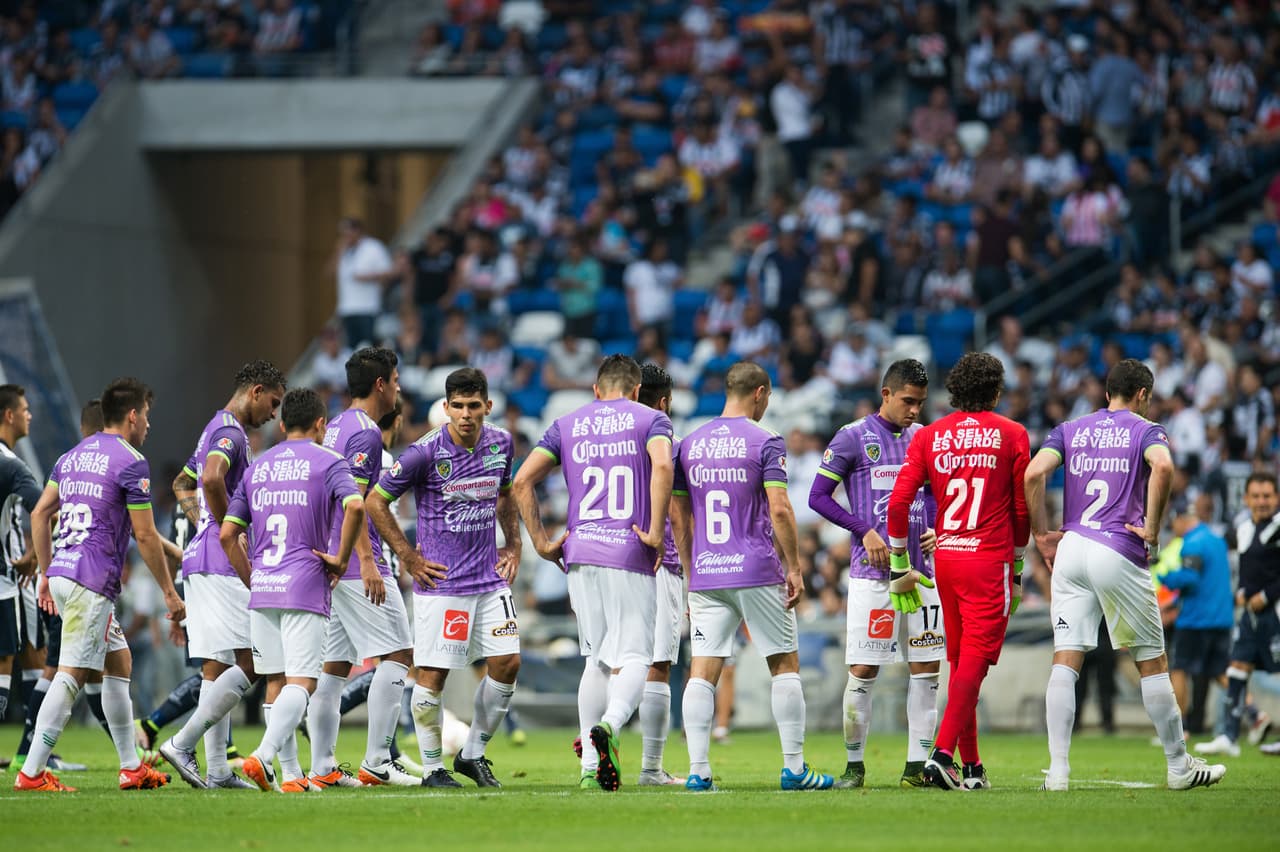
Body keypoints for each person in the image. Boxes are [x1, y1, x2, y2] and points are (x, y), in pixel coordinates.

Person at [1025, 358, 1226, 791]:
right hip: (1116, 548)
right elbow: (1165, 467)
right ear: (1142, 396)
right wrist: (1152, 529)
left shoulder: (1071, 428)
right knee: (1153, 661)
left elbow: (1034, 473)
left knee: (1066, 658)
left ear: (1106, 393)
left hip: (1072, 548)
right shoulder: (1145, 429)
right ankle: (1178, 767)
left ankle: (1057, 772)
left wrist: (1042, 534)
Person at [672, 361, 837, 792]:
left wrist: (692, 571)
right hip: (757, 569)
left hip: (708, 572)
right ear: (760, 393)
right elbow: (780, 508)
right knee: (784, 663)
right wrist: (795, 568)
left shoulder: (689, 443)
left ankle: (698, 771)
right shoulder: (766, 440)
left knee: (702, 671)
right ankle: (795, 769)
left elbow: (680, 517)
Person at [513, 355, 673, 791]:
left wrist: (542, 542)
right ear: (637, 390)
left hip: (579, 551)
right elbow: (662, 465)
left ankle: (588, 770)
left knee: (596, 658)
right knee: (637, 654)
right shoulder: (650, 419)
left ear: (596, 390)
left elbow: (521, 481)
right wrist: (656, 530)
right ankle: (612, 725)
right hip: (629, 547)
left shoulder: (567, 424)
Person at [17, 378, 182, 792]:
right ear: (132, 415)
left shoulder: (71, 457)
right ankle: (32, 772)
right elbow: (144, 536)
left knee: (119, 663)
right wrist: (169, 591)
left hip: (65, 576)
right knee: (70, 674)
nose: (148, 424)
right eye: (146, 415)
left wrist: (45, 573)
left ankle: (130, 766)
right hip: (90, 582)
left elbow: (40, 514)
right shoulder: (130, 461)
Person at [368, 368, 520, 789]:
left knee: (508, 663)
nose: (467, 414)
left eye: (475, 406)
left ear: (488, 407)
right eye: (459, 406)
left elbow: (505, 493)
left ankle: (472, 754)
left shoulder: (502, 443)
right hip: (443, 584)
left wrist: (514, 544)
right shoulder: (423, 452)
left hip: (489, 579)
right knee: (433, 676)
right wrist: (408, 556)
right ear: (446, 407)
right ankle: (434, 767)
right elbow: (375, 501)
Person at [886, 352, 1028, 791]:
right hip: (989, 560)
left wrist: (898, 564)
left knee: (961, 662)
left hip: (946, 559)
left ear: (954, 392)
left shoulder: (929, 436)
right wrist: (1018, 566)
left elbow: (897, 504)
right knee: (976, 665)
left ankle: (973, 768)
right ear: (997, 393)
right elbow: (1021, 513)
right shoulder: (1013, 434)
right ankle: (943, 756)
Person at [220, 388, 366, 793]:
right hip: (304, 583)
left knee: (275, 681)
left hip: (263, 586)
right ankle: (263, 757)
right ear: (321, 425)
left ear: (282, 425)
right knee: (303, 683)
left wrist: (252, 576)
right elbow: (355, 506)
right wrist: (339, 557)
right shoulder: (330, 461)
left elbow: (228, 534)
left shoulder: (258, 467)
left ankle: (292, 777)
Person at [807, 359, 941, 788]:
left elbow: (935, 494)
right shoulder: (853, 437)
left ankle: (916, 768)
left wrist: (936, 527)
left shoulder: (925, 438)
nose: (915, 410)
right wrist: (862, 530)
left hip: (922, 576)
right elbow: (817, 496)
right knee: (864, 670)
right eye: (908, 401)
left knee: (927, 670)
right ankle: (854, 766)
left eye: (920, 402)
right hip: (873, 576)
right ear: (886, 394)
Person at [155, 361, 286, 789]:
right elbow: (210, 478)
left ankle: (217, 770)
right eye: (273, 403)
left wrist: (204, 526)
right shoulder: (231, 434)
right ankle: (182, 742)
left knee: (217, 667)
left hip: (202, 557)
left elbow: (181, 484)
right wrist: (229, 525)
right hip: (220, 560)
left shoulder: (214, 427)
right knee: (253, 660)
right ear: (256, 391)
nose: (274, 414)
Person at [313, 347, 416, 787]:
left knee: (333, 668)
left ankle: (322, 768)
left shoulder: (335, 426)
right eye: (394, 380)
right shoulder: (367, 435)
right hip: (357, 565)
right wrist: (368, 562)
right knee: (399, 655)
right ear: (380, 385)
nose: (397, 387)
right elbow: (354, 501)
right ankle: (378, 760)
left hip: (331, 566)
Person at [1196, 472, 1280, 757]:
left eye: (1267, 496)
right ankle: (1229, 737)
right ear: (1246, 499)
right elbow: (1249, 571)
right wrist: (1243, 592)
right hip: (1251, 616)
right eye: (1255, 496)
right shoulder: (1243, 528)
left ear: (1276, 498)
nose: (1261, 501)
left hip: (1276, 613)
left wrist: (1266, 596)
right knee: (1236, 669)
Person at [634, 364, 687, 786]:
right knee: (658, 664)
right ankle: (651, 768)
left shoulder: (608, 440)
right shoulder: (665, 437)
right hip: (659, 559)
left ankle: (591, 766)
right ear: (664, 401)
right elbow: (675, 504)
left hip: (607, 557)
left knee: (604, 660)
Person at [1162, 500, 1234, 735]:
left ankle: (1179, 727)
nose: (1174, 529)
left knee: (1179, 669)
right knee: (1220, 672)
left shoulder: (1191, 542)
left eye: (1174, 523)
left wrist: (1167, 577)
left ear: (1182, 519)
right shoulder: (1216, 540)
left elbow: (1190, 579)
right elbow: (1209, 582)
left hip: (1196, 619)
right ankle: (1254, 713)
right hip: (1221, 617)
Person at [0, 386, 40, 741]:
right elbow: (45, 508)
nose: (29, 415)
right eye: (25, 410)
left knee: (30, 652)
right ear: (9, 415)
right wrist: (35, 555)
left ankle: (32, 747)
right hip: (9, 576)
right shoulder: (11, 465)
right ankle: (33, 748)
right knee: (21, 657)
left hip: (10, 575)